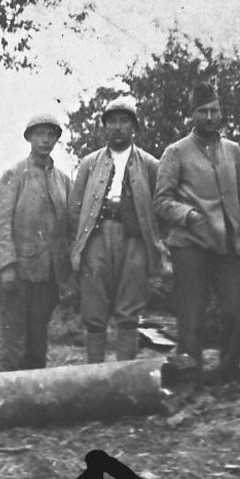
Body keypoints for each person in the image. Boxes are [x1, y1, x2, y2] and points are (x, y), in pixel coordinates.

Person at [155, 83, 240, 384]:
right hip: (191, 245)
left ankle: (229, 368)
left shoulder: (233, 151)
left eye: (214, 110)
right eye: (203, 111)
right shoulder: (175, 152)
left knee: (239, 315)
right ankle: (190, 377)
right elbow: (161, 200)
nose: (210, 116)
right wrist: (189, 215)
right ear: (192, 115)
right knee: (191, 318)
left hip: (230, 244)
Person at [69, 96, 163, 363]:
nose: (118, 127)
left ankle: (125, 376)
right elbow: (74, 207)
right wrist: (80, 242)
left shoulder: (149, 164)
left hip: (133, 238)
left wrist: (153, 239)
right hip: (97, 235)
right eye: (112, 122)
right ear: (105, 127)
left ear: (134, 127)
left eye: (124, 121)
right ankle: (94, 374)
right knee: (94, 306)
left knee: (130, 305)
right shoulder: (90, 163)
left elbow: (162, 203)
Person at [0, 111, 72, 371]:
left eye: (51, 135)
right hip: (17, 276)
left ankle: (32, 403)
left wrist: (66, 271)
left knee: (38, 345)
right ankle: (7, 403)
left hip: (47, 278)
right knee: (13, 346)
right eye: (40, 135)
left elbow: (68, 227)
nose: (45, 141)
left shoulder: (63, 181)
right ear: (29, 138)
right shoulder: (14, 175)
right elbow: (0, 223)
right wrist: (6, 266)